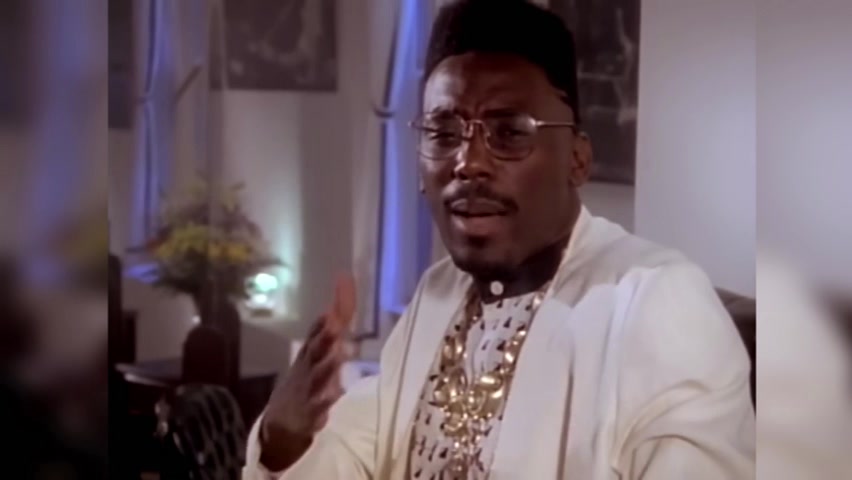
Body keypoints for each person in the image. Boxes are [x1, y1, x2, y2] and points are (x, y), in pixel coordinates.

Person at [243, 0, 755, 478]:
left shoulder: (656, 302)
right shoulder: (438, 293)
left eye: (509, 133)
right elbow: (357, 453)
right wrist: (284, 439)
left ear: (578, 160)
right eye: (444, 134)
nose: (468, 163)